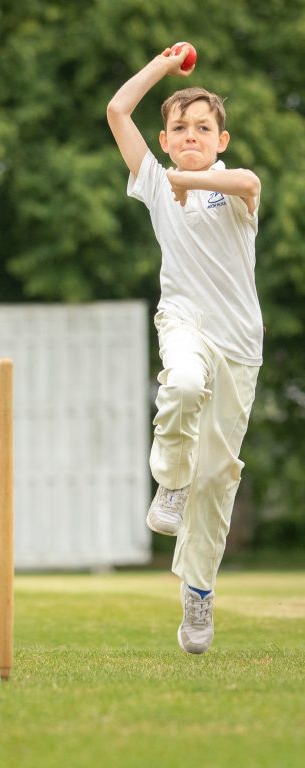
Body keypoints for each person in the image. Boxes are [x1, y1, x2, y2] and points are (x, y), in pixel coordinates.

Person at [107, 48, 263, 653]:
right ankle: (168, 482)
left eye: (203, 128)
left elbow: (247, 181)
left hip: (241, 344)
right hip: (184, 321)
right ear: (166, 141)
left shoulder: (232, 186)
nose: (191, 135)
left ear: (219, 138)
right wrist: (161, 66)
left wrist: (185, 179)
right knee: (181, 384)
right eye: (179, 129)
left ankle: (197, 594)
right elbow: (119, 110)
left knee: (220, 477)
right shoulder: (153, 178)